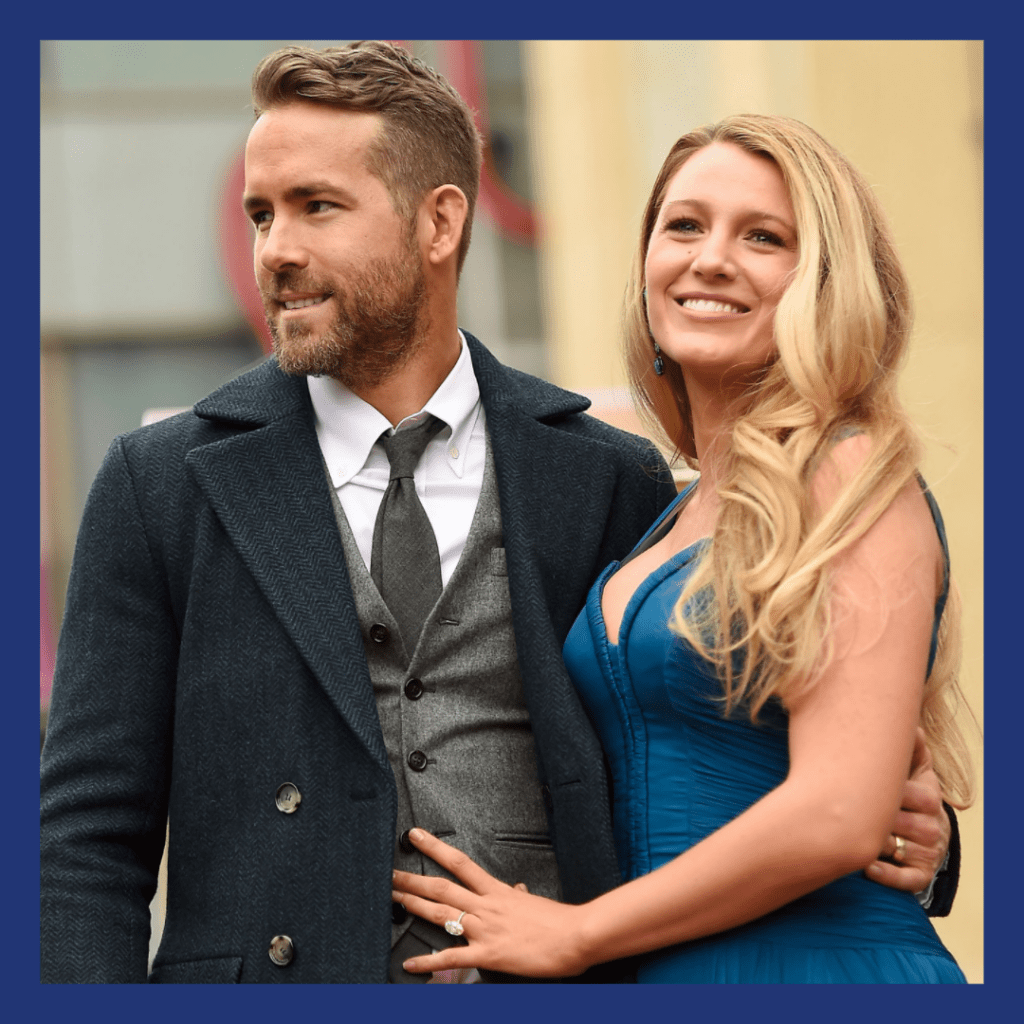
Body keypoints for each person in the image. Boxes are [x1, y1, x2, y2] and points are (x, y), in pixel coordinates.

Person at [39, 45, 956, 985]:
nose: (276, 250)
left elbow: (695, 742)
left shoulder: (607, 475)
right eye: (261, 215)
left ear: (441, 222)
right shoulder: (163, 482)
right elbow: (84, 836)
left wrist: (911, 831)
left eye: (317, 206)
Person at [390, 114, 976, 983]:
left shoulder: (854, 472)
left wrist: (575, 933)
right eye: (685, 225)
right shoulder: (660, 508)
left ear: (824, 280)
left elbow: (843, 812)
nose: (710, 258)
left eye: (764, 237)